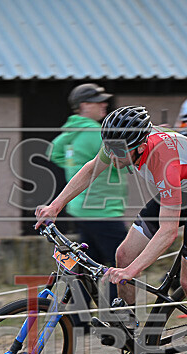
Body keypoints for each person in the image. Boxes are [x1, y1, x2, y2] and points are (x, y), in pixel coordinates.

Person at [36, 105, 187, 354]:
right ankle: (128, 326)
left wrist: (131, 272)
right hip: (176, 187)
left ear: (138, 147)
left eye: (118, 151)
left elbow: (167, 233)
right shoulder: (120, 141)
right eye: (108, 147)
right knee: (123, 254)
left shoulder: (163, 160)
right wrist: (55, 206)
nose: (111, 155)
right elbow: (91, 169)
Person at [51, 83, 127, 268]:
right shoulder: (98, 133)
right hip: (103, 210)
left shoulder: (70, 132)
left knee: (90, 266)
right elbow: (124, 162)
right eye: (98, 101)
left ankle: (79, 298)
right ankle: (115, 299)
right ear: (84, 105)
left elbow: (54, 151)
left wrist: (75, 165)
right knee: (123, 265)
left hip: (80, 209)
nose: (104, 104)